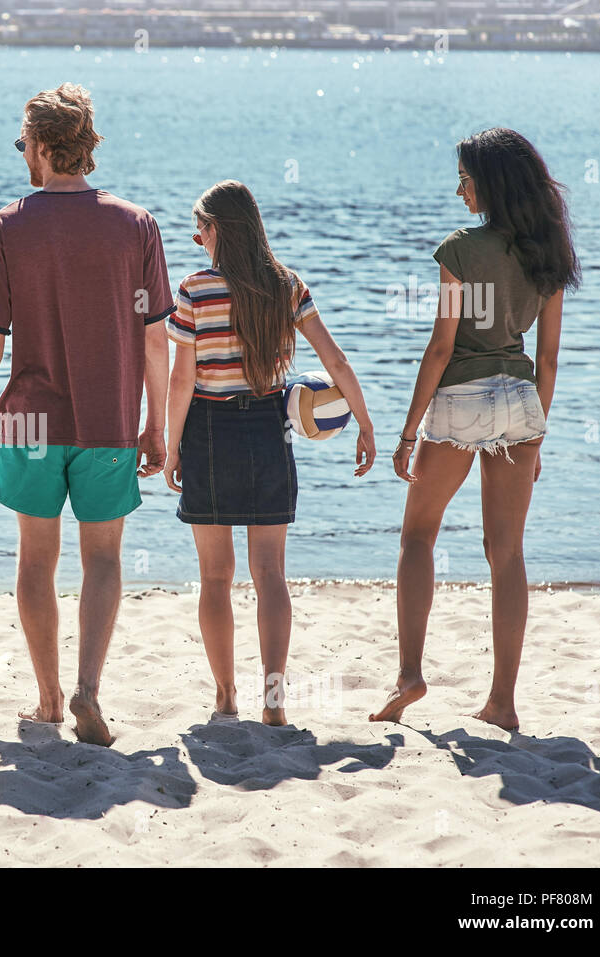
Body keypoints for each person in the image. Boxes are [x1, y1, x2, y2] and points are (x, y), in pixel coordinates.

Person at [0, 83, 172, 747]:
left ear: (41, 147)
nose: (22, 156)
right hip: (109, 418)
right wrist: (157, 424)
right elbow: (157, 338)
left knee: (36, 558)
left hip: (33, 423)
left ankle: (45, 696)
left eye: (24, 144)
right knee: (103, 557)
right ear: (85, 145)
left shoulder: (7, 226)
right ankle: (88, 688)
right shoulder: (136, 225)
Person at [371, 128, 579, 732]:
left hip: (462, 395)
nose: (457, 188)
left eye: (463, 177)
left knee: (417, 535)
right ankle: (503, 702)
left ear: (488, 183)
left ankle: (410, 675)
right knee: (506, 551)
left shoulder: (460, 249)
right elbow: (548, 362)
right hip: (520, 401)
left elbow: (441, 348)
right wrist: (537, 435)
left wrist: (409, 431)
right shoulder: (549, 253)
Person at [164, 181, 375, 726]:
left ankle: (226, 696)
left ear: (218, 230)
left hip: (208, 430)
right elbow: (337, 360)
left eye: (200, 229)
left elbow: (182, 378)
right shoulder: (287, 286)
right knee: (270, 575)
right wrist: (366, 424)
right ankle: (274, 702)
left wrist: (170, 446)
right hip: (268, 426)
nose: (196, 239)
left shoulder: (194, 290)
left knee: (215, 576)